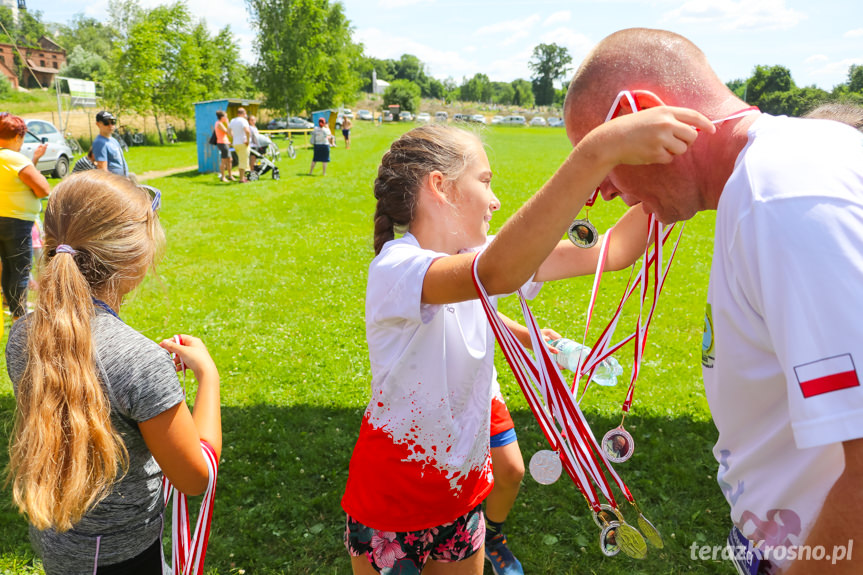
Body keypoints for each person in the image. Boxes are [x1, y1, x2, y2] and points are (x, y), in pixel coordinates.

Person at [342, 108, 713, 575]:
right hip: (390, 506)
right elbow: (497, 271)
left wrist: (671, 183)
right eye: (485, 181)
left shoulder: (478, 257)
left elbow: (612, 251)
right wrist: (598, 153)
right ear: (440, 187)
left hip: (463, 496)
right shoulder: (398, 267)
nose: (495, 200)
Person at [564, 28, 863, 574]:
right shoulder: (774, 176)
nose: (600, 192)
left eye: (599, 157)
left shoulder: (782, 197)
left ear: (641, 112)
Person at [5, 170, 222, 574]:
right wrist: (208, 379)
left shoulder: (21, 335)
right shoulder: (140, 362)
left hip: (58, 544)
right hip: (124, 553)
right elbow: (195, 478)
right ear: (136, 257)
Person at [0, 112, 50, 321]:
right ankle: (20, 318)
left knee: (8, 270)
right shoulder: (15, 158)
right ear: (18, 136)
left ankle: (13, 312)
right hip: (17, 222)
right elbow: (43, 189)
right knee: (20, 270)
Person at [92, 111, 129, 177]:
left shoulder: (113, 140)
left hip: (122, 180)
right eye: (106, 123)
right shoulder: (100, 143)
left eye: (113, 122)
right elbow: (102, 170)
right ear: (98, 124)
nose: (110, 126)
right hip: (114, 183)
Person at [229, 108, 252, 183]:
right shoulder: (243, 121)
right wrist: (248, 141)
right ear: (244, 113)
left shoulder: (232, 120)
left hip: (235, 143)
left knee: (241, 159)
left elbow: (228, 131)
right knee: (243, 161)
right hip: (243, 143)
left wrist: (234, 137)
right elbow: (247, 131)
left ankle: (243, 177)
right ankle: (242, 179)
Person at [214, 110, 233, 182]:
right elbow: (227, 132)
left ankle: (230, 176)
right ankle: (223, 177)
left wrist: (228, 142)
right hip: (222, 143)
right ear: (222, 117)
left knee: (230, 160)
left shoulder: (219, 123)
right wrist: (228, 123)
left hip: (225, 143)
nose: (226, 118)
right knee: (224, 161)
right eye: (226, 116)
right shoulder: (219, 124)